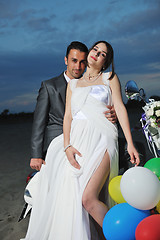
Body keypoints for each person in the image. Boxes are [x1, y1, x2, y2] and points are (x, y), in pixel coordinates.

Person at [21, 40, 140, 240]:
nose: (97, 54)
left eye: (103, 54)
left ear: (106, 61)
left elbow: (119, 107)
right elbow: (67, 116)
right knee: (72, 194)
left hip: (103, 138)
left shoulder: (109, 77)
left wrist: (129, 142)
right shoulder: (73, 85)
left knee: (88, 198)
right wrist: (67, 145)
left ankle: (122, 235)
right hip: (77, 141)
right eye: (95, 49)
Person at [30, 41, 117, 172]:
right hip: (58, 140)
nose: (78, 66)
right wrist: (36, 155)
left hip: (87, 138)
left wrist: (113, 114)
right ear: (66, 60)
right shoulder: (49, 87)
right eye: (74, 61)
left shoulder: (91, 84)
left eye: (82, 62)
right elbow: (39, 123)